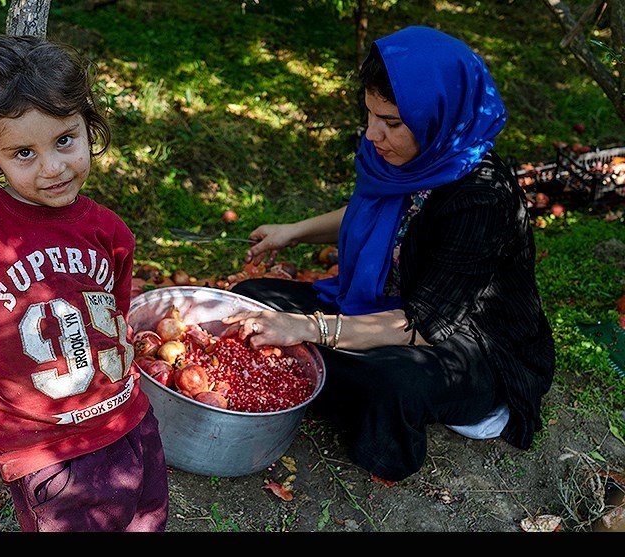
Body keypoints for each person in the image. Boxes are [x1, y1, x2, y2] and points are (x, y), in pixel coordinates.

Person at [223, 26, 555, 483]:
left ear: (440, 116)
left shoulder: (481, 198)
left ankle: (345, 383)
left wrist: (307, 328)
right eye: (370, 115)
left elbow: (426, 323)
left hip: (462, 340)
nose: (374, 134)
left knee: (389, 385)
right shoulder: (399, 155)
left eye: (392, 123)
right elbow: (376, 214)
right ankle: (321, 368)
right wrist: (292, 233)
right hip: (379, 302)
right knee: (252, 299)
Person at [0, 35, 168, 532]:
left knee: (148, 519)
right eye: (23, 152)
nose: (52, 168)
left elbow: (116, 315)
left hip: (128, 419)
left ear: (89, 127)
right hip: (46, 451)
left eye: (65, 140)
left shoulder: (110, 231)